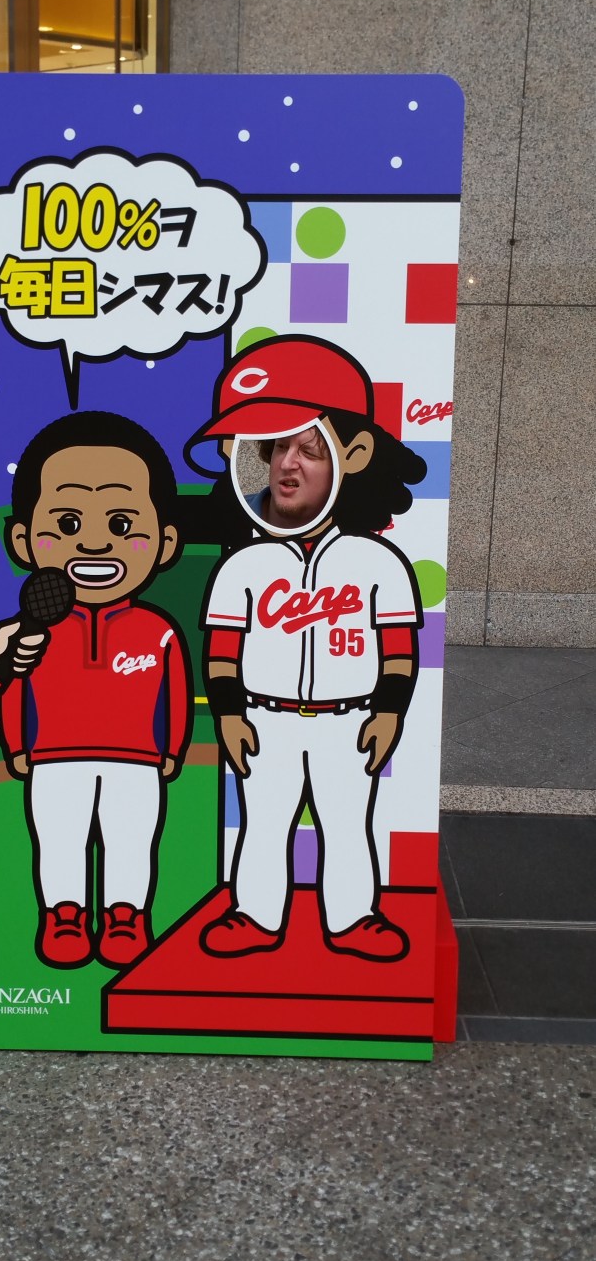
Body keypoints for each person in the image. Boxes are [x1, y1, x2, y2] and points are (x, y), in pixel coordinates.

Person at [185, 334, 427, 962]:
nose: (286, 464)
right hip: (265, 718)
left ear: (355, 454)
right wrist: (229, 714)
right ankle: (254, 915)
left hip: (349, 721)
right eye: (274, 448)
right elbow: (222, 653)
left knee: (348, 823)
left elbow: (399, 649)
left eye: (309, 449)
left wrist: (390, 711)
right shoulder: (246, 562)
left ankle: (354, 918)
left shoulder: (375, 560)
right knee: (263, 823)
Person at [0, 410, 192, 971]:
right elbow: (12, 685)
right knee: (59, 840)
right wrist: (16, 746)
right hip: (54, 758)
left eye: (123, 524)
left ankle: (127, 915)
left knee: (132, 840)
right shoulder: (33, 628)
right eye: (68, 523)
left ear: (165, 541)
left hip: (138, 760)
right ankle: (64, 915)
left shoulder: (158, 630)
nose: (97, 542)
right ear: (23, 539)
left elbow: (176, 694)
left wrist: (172, 750)